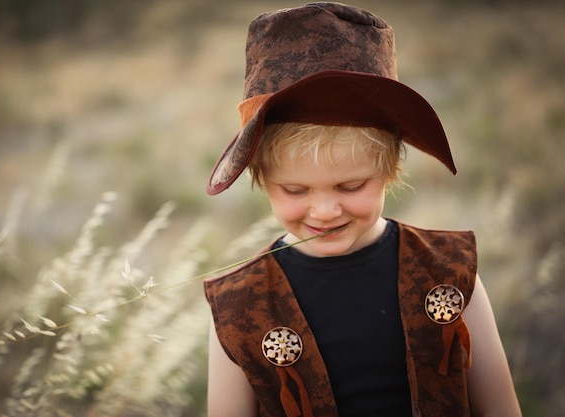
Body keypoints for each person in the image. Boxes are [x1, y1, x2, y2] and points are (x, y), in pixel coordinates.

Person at [203, 3, 521, 417]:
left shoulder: (452, 274)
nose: (324, 210)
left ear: (390, 169)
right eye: (295, 189)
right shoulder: (238, 307)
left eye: (350, 186)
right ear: (261, 178)